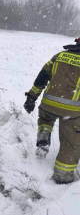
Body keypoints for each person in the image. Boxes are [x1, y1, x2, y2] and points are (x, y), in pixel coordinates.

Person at [24, 37, 80, 184]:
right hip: (72, 111)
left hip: (48, 104)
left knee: (45, 119)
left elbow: (42, 77)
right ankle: (63, 175)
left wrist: (31, 97)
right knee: (70, 142)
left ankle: (44, 135)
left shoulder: (59, 56)